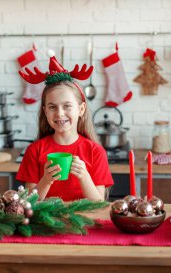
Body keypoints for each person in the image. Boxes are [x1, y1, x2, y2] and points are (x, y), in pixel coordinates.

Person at [16, 57, 114, 201]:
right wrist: (46, 181)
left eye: (67, 106)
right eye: (52, 107)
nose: (60, 113)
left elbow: (99, 204)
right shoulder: (34, 151)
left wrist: (84, 176)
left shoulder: (95, 152)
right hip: (46, 223)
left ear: (81, 109)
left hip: (84, 223)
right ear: (45, 111)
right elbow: (28, 203)